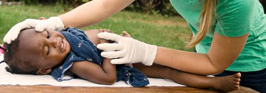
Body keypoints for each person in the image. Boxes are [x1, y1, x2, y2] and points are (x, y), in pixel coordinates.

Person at [3, 0, 266, 92]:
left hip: (249, 66)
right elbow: (106, 4)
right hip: (202, 52)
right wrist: (56, 22)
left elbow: (212, 62)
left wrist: (145, 51)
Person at [1, 28, 240, 91]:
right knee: (169, 72)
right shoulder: (74, 64)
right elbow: (107, 78)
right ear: (44, 70)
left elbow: (86, 36)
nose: (54, 41)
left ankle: (207, 74)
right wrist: (109, 50)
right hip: (126, 63)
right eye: (46, 51)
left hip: (124, 50)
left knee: (172, 60)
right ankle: (212, 83)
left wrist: (108, 35)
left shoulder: (63, 37)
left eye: (47, 35)